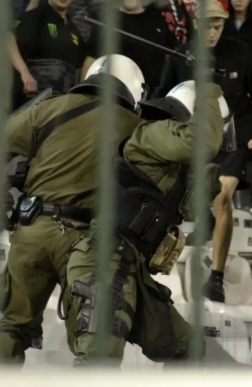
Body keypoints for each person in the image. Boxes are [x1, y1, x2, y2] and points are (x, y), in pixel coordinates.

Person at [0, 54, 145, 365]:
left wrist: (0, 198)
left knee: (13, 325)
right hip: (87, 245)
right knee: (94, 347)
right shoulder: (137, 128)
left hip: (32, 230)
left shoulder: (48, 108)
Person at [66, 79, 229, 366]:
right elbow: (203, 142)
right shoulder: (151, 134)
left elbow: (189, 210)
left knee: (187, 346)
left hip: (131, 268)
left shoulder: (173, 166)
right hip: (103, 261)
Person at [155, 0, 252, 302]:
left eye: (218, 26)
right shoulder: (181, 54)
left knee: (222, 198)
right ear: (196, 24)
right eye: (207, 25)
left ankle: (217, 279)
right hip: (194, 138)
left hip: (234, 137)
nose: (212, 32)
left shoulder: (240, 51)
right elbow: (163, 95)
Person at [82, 0, 177, 95]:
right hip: (115, 96)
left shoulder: (158, 21)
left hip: (154, 98)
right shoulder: (106, 21)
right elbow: (91, 61)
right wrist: (83, 95)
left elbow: (172, 59)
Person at [9, 0, 87, 109]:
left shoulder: (76, 33)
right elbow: (7, 38)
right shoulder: (32, 18)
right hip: (30, 104)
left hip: (60, 108)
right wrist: (24, 72)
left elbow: (78, 70)